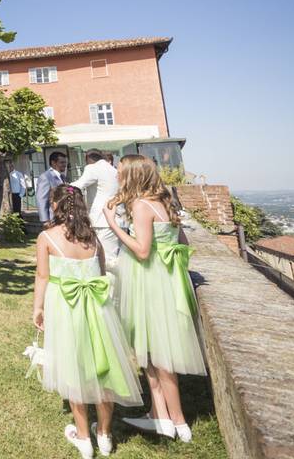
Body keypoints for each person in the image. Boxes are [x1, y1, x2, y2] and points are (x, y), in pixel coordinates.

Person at [102, 155, 206, 444]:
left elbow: (143, 250)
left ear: (133, 176)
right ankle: (158, 415)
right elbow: (182, 244)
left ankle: (179, 421)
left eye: (121, 173)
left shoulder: (140, 206)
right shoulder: (165, 203)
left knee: (159, 357)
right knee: (149, 350)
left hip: (148, 282)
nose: (118, 178)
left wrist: (115, 227)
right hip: (166, 280)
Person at [33, 185, 143, 458]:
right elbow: (102, 272)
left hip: (66, 308)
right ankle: (104, 434)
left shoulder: (46, 237)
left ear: (57, 206)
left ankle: (84, 438)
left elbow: (43, 276)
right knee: (105, 370)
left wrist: (38, 307)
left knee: (74, 371)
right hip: (97, 309)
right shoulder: (93, 238)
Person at [72, 151, 122, 277]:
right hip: (116, 219)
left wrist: (59, 190)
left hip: (101, 221)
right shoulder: (113, 170)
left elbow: (78, 185)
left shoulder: (93, 168)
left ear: (87, 159)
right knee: (113, 258)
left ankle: (111, 294)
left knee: (106, 261)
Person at [36, 152, 68, 225]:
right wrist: (45, 220)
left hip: (63, 217)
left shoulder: (63, 177)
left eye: (65, 162)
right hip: (53, 218)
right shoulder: (45, 177)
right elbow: (41, 199)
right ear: (53, 163)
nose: (65, 165)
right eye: (62, 162)